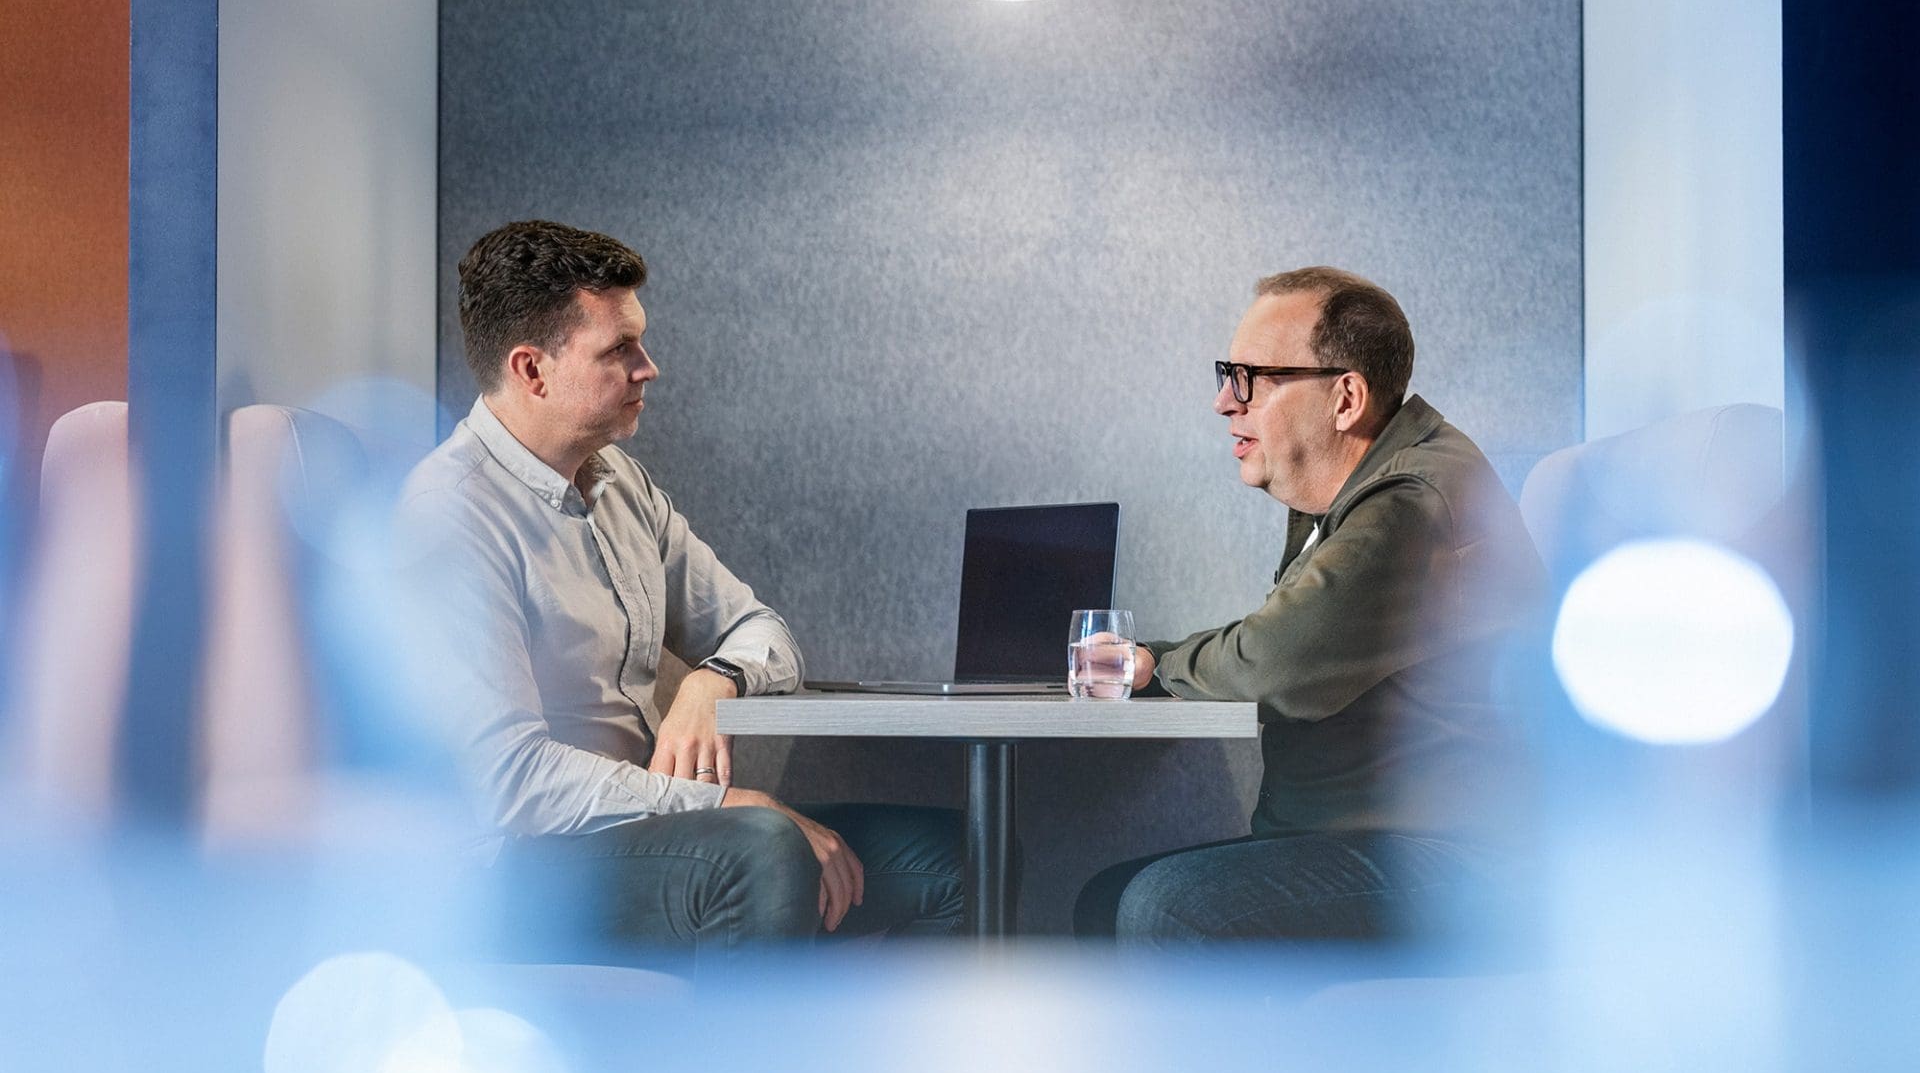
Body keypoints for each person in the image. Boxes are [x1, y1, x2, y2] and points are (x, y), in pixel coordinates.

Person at [397, 220, 963, 958]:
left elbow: (764, 633)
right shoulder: (450, 513)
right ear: (532, 370)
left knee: (955, 853)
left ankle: (833, 1064)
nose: (649, 367)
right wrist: (722, 801)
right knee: (762, 849)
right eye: (618, 350)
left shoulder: (618, 482)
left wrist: (712, 681)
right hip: (514, 869)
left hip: (651, 829)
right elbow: (512, 782)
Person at [1075, 267, 1546, 946]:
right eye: (1225, 375)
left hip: (1468, 861)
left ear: (1345, 397)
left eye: (1252, 378)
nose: (1224, 403)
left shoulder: (1410, 501)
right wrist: (1159, 662)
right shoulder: (1349, 494)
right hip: (1386, 836)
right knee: (1105, 902)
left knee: (1164, 909)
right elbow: (1284, 644)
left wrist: (1158, 662)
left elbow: (1278, 660)